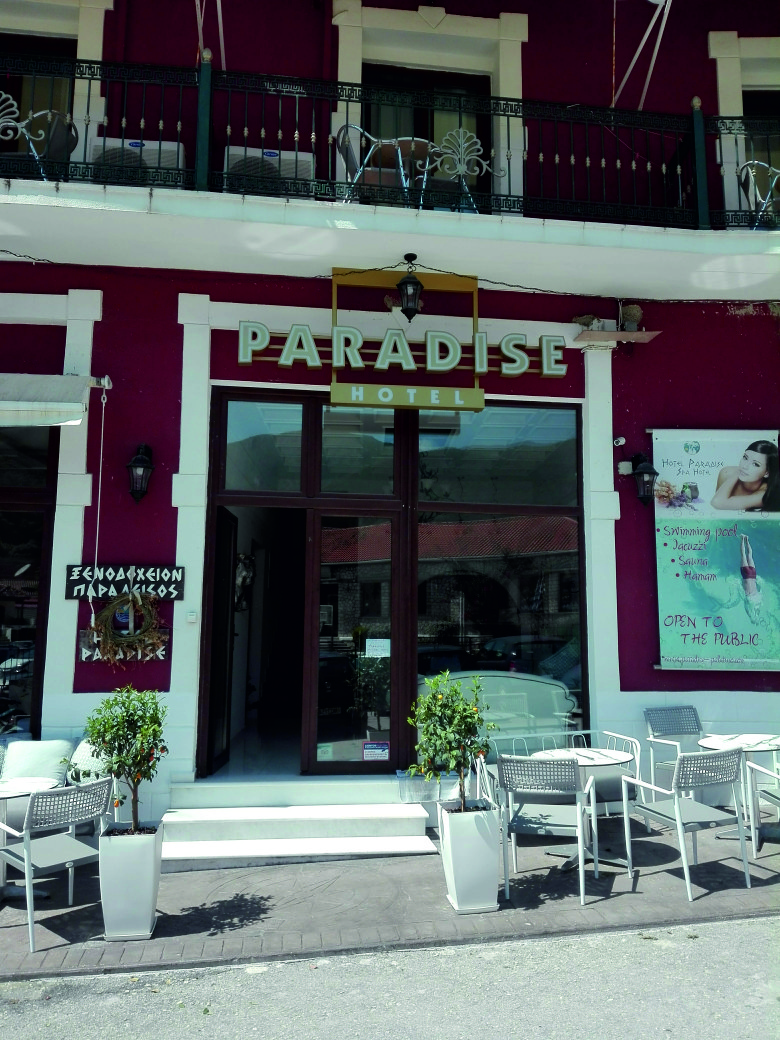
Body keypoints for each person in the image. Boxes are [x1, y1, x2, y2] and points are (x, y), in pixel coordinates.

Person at [710, 439, 779, 511]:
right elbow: (717, 510)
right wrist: (737, 473)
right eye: (745, 458)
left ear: (767, 473)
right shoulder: (726, 473)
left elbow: (717, 502)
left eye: (755, 464)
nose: (745, 466)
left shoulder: (765, 494)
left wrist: (738, 472)